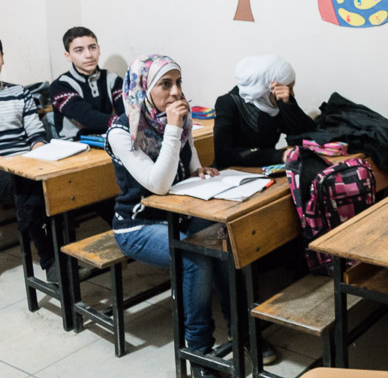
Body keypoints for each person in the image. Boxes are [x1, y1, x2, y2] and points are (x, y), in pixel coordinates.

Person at [106, 54, 227, 376]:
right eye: (165, 84)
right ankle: (199, 351)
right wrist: (173, 128)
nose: (176, 92)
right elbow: (158, 185)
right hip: (138, 224)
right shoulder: (122, 131)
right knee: (194, 256)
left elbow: (188, 158)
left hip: (178, 215)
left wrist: (198, 169)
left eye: (178, 82)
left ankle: (241, 331)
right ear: (143, 88)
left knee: (225, 239)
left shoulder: (180, 119)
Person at [0, 39, 55, 281]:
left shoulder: (19, 92)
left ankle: (59, 249)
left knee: (53, 180)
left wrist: (38, 154)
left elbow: (35, 133)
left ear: (2, 58)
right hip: (3, 168)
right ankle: (49, 258)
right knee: (26, 187)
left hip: (27, 161)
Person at [213, 54, 315, 169]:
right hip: (232, 173)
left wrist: (289, 105)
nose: (292, 94)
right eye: (289, 89)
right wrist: (279, 155)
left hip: (265, 169)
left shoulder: (274, 104)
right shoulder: (228, 103)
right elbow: (224, 155)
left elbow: (310, 135)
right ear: (268, 88)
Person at [49, 26, 124, 139]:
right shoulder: (59, 86)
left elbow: (127, 110)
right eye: (79, 50)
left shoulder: (113, 79)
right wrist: (122, 123)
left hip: (109, 138)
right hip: (75, 143)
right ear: (68, 56)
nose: (88, 55)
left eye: (92, 48)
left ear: (99, 49)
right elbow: (86, 117)